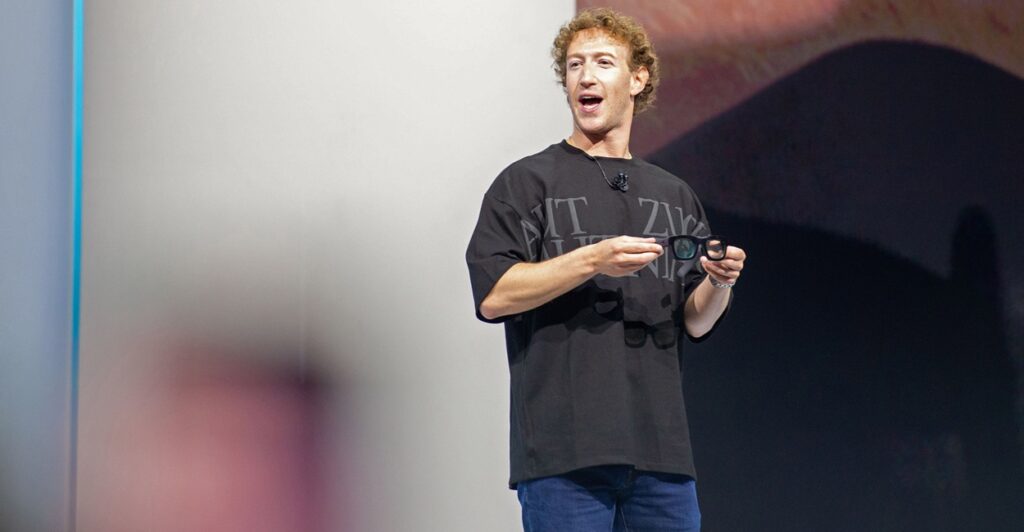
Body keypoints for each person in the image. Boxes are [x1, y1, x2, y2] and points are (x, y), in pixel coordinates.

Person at [466, 8, 747, 532]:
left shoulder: (674, 194)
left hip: (662, 457)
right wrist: (592, 259)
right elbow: (494, 296)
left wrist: (718, 282)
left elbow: (696, 322)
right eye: (574, 66)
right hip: (564, 456)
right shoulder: (526, 183)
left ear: (638, 78)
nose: (585, 78)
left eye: (602, 62)